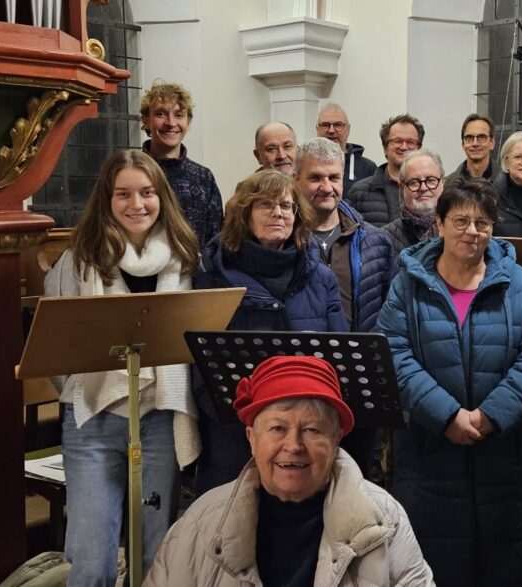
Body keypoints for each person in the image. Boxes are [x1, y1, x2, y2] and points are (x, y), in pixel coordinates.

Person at [377, 178, 522, 587]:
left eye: (482, 222)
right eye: (460, 220)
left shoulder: (521, 284)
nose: (472, 231)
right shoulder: (407, 285)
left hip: (507, 456)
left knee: (508, 567)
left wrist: (490, 417)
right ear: (438, 224)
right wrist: (446, 416)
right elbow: (394, 354)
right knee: (437, 569)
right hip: (429, 456)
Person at [44, 150, 201, 585]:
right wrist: (83, 386)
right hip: (95, 417)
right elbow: (57, 346)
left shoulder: (183, 255)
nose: (137, 204)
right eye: (123, 194)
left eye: (147, 193)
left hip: (159, 416)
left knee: (157, 551)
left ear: (161, 197)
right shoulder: (79, 258)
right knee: (91, 558)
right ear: (106, 200)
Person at [143, 356, 435, 586]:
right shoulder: (201, 522)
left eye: (312, 430)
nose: (293, 445)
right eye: (277, 428)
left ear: (336, 441)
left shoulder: (384, 520)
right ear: (251, 438)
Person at [193, 169, 349, 494]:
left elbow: (339, 357)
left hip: (304, 430)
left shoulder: (320, 277)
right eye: (266, 204)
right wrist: (237, 416)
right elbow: (200, 363)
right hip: (234, 428)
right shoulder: (213, 276)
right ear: (244, 214)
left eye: (287, 206)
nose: (279, 213)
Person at [293, 137, 398, 478]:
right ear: (296, 179)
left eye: (334, 178)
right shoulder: (281, 242)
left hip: (357, 388)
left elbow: (390, 314)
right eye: (315, 178)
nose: (327, 187)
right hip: (301, 388)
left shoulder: (376, 241)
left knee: (358, 483)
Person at [140, 80, 223, 246]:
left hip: (194, 270)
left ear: (188, 122)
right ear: (146, 120)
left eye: (179, 115)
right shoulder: (130, 172)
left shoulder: (203, 177)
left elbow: (216, 238)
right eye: (161, 114)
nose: (171, 123)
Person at [348, 113, 425, 227]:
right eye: (397, 141)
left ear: (419, 148)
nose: (404, 147)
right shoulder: (359, 192)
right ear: (385, 148)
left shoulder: (430, 190)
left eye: (410, 142)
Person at [384, 149, 443, 252]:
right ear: (402, 188)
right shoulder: (383, 239)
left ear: (443, 182)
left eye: (431, 180)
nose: (423, 188)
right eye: (414, 182)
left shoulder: (460, 231)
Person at [317, 103, 377, 192]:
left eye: (338, 125)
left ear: (348, 129)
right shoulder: (305, 164)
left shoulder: (367, 168)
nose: (331, 130)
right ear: (317, 129)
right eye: (325, 125)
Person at [446, 113, 496, 183]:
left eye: (481, 137)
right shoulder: (449, 183)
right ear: (463, 144)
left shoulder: (505, 182)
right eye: (469, 138)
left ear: (492, 143)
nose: (475, 143)